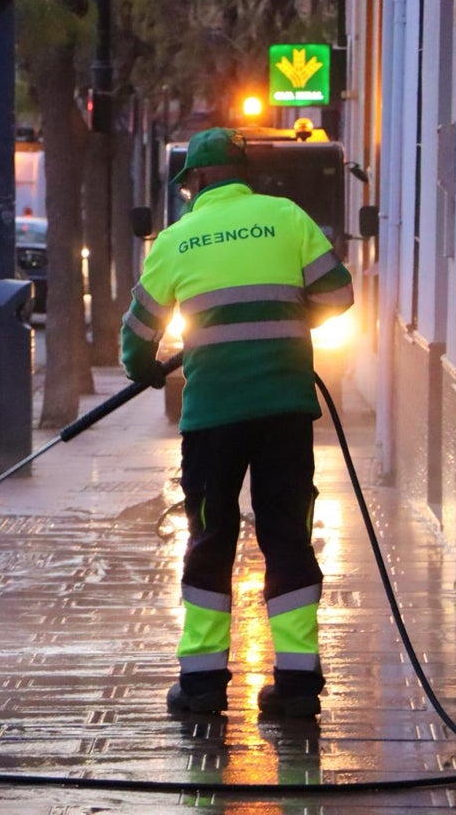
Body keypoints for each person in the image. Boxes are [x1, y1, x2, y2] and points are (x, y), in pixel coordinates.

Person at [120, 127, 353, 718]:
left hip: (213, 418)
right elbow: (338, 295)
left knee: (209, 537)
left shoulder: (175, 240)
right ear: (242, 174)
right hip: (284, 408)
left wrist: (146, 369)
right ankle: (298, 687)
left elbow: (137, 339)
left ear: (195, 182)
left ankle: (200, 687)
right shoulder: (287, 217)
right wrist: (292, 318)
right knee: (286, 534)